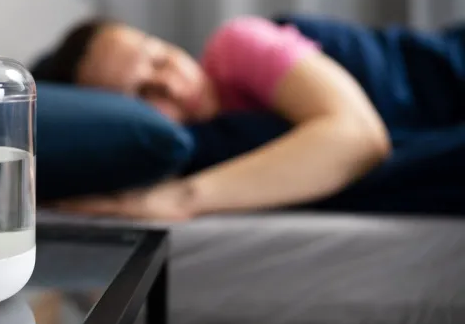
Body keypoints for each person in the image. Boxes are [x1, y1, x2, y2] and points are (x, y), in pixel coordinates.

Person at [31, 15, 396, 220]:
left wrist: (183, 198)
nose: (174, 86)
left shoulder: (234, 46)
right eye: (143, 94)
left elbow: (360, 136)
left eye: (159, 59)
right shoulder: (177, 153)